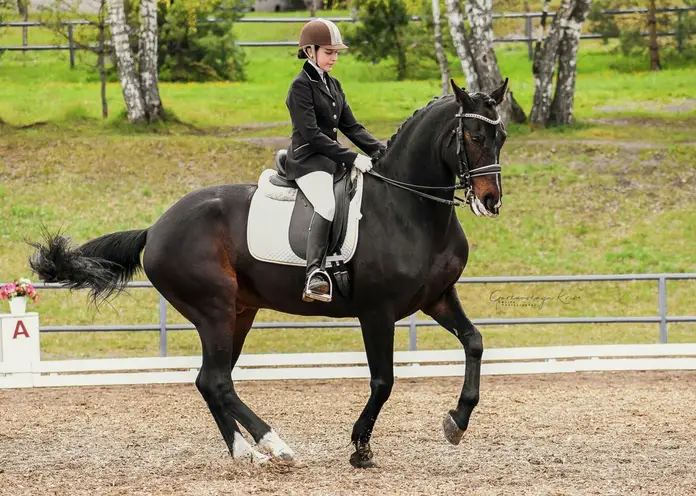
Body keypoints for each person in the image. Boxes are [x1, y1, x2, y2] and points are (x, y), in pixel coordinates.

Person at [284, 18, 386, 303]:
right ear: (309, 52)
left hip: (331, 162)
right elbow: (314, 136)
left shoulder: (333, 84)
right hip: (307, 162)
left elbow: (351, 127)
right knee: (327, 204)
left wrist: (382, 152)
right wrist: (354, 157)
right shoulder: (300, 87)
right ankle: (314, 273)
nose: (334, 58)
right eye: (329, 52)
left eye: (336, 52)